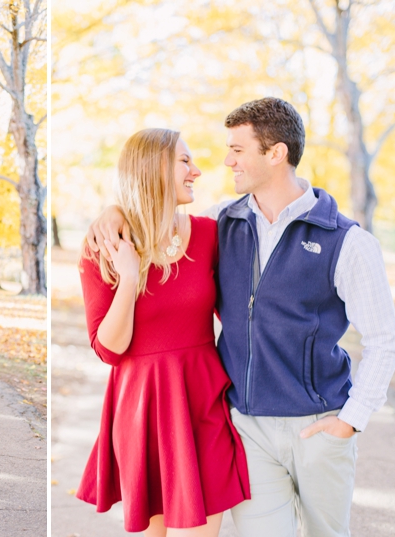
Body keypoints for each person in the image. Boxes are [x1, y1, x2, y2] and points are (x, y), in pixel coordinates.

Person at [86, 97, 395, 537]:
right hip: (245, 427)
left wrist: (351, 419)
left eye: (237, 149)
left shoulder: (346, 241)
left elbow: (385, 340)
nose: (223, 161)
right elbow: (153, 218)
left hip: (318, 426)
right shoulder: (224, 224)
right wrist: (114, 212)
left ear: (275, 154)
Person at [77, 128, 251, 536]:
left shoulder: (210, 234)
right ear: (154, 168)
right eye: (185, 161)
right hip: (142, 409)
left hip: (201, 403)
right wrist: (129, 276)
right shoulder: (104, 245)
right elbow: (110, 349)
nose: (198, 170)